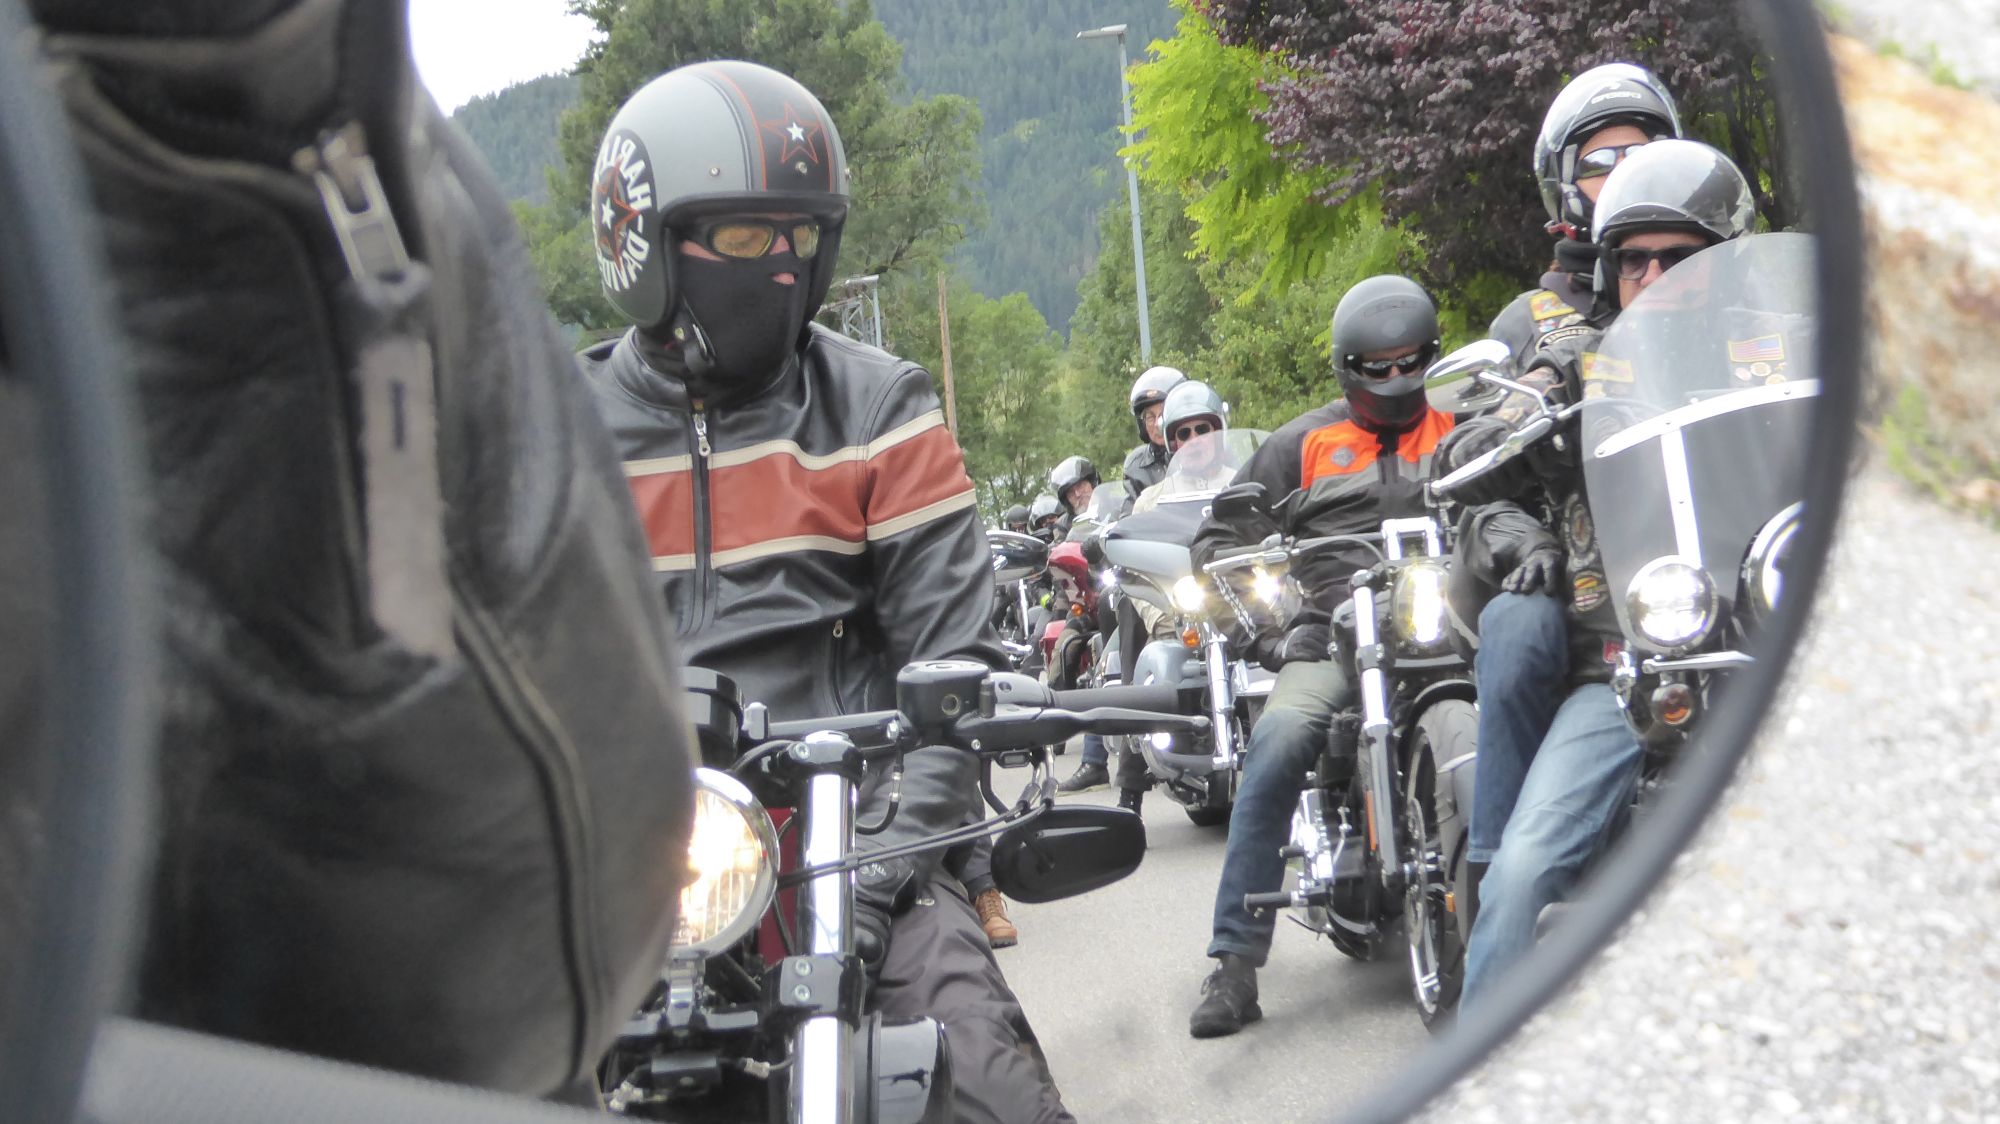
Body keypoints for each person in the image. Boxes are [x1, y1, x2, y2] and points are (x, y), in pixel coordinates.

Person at [577, 60, 1072, 1120]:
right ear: (643, 241)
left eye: (802, 237)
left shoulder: (875, 408)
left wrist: (880, 869)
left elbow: (956, 664)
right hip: (611, 862)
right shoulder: (556, 439)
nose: (782, 265)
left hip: (847, 834)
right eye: (745, 236)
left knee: (986, 1082)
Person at [1451, 140, 1759, 1019]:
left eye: (1679, 258)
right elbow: (1465, 450)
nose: (1653, 276)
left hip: (1775, 645)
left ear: (1727, 261)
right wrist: (1521, 423)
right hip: (1629, 671)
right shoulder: (1581, 359)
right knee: (1523, 871)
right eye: (1634, 260)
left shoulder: (1783, 347)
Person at [1183, 276, 1458, 1038]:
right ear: (1347, 367)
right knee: (1277, 739)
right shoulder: (1300, 444)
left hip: (1452, 623)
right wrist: (1270, 634)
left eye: (1411, 362)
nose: (1396, 378)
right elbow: (1217, 543)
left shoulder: (1462, 422)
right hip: (1339, 631)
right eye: (1378, 367)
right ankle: (1235, 963)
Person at [1462, 62, 1685, 925]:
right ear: (1564, 185)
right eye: (1601, 161)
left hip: (1708, 601)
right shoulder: (1535, 323)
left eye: (1645, 152)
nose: (1626, 171)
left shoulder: (1739, 308)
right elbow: (1476, 468)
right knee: (1521, 631)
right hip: (1584, 595)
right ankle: (1492, 880)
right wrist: (1526, 540)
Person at [1057, 380, 1240, 802]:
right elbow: (1135, 565)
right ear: (1172, 442)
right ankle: (1131, 790)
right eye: (1184, 433)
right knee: (1128, 611)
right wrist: (1163, 615)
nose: (1195, 440)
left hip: (1238, 603)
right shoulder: (1151, 498)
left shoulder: (1243, 484)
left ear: (1219, 431)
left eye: (1203, 430)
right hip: (1177, 603)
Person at [1121, 365, 1189, 501]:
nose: (1158, 424)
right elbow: (1131, 511)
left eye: (1164, 414)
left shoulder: (1201, 449)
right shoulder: (1136, 465)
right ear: (1142, 423)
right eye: (1150, 417)